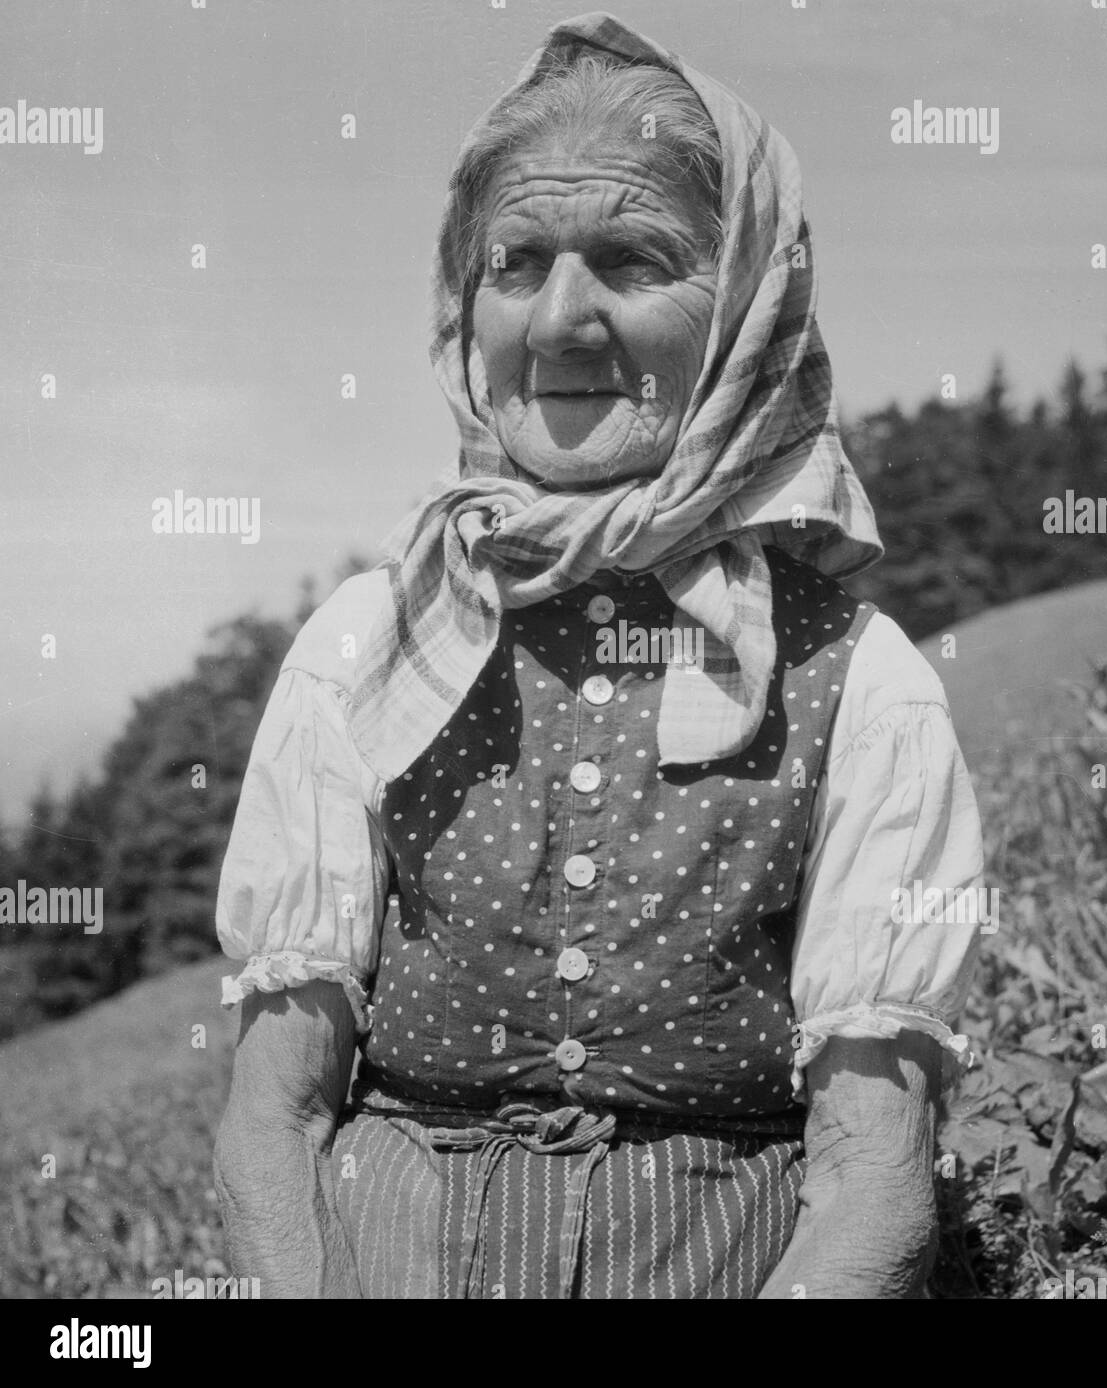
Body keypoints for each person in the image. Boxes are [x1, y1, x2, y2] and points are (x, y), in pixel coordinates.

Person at [212, 11, 984, 1299]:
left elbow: (872, 1173)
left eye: (633, 260)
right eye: (516, 264)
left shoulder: (864, 682)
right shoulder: (371, 643)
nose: (563, 318)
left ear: (744, 303)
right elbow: (274, 1122)